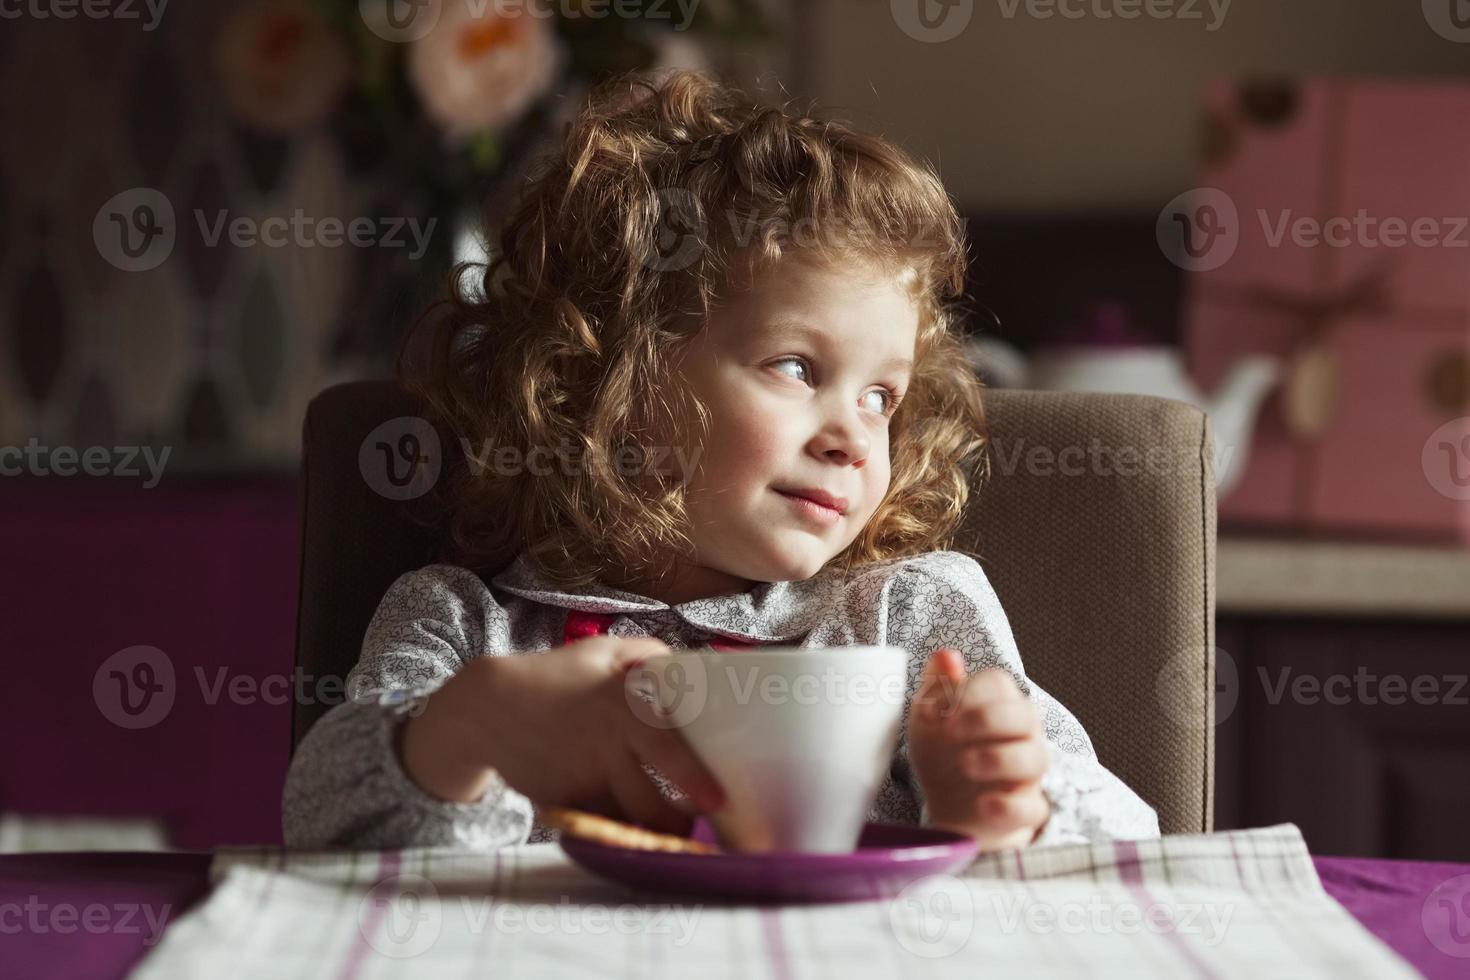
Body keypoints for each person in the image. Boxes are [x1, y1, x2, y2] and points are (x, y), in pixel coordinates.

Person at [282, 69, 1159, 852]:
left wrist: (1012, 806)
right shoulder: (469, 627)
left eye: (881, 397)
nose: (851, 435)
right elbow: (322, 827)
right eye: (795, 367)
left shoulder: (903, 618)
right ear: (609, 375)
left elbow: (1128, 836)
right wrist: (467, 729)